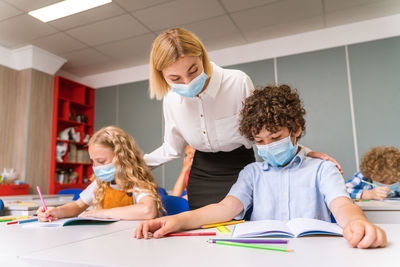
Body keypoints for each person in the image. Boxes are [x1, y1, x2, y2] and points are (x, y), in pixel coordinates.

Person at [134, 84, 386, 249]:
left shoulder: (322, 169)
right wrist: (175, 222)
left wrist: (357, 223)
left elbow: (342, 204)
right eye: (260, 141)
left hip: (313, 254)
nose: (268, 146)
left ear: (296, 128)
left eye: (275, 138)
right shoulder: (252, 173)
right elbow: (224, 209)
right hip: (262, 254)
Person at [144, 27, 342, 210]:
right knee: (202, 230)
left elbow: (264, 127)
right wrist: (132, 165)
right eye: (175, 79)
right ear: (161, 76)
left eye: (193, 70)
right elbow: (171, 149)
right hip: (202, 173)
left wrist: (303, 152)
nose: (187, 83)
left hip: (240, 168)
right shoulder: (170, 100)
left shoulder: (236, 82)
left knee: (242, 225)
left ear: (202, 58)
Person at [37, 126, 163, 221]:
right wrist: (56, 211)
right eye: (93, 162)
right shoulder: (101, 183)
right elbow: (77, 205)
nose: (96, 167)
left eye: (101, 161)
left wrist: (104, 213)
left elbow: (148, 210)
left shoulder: (137, 182)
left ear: (122, 157)